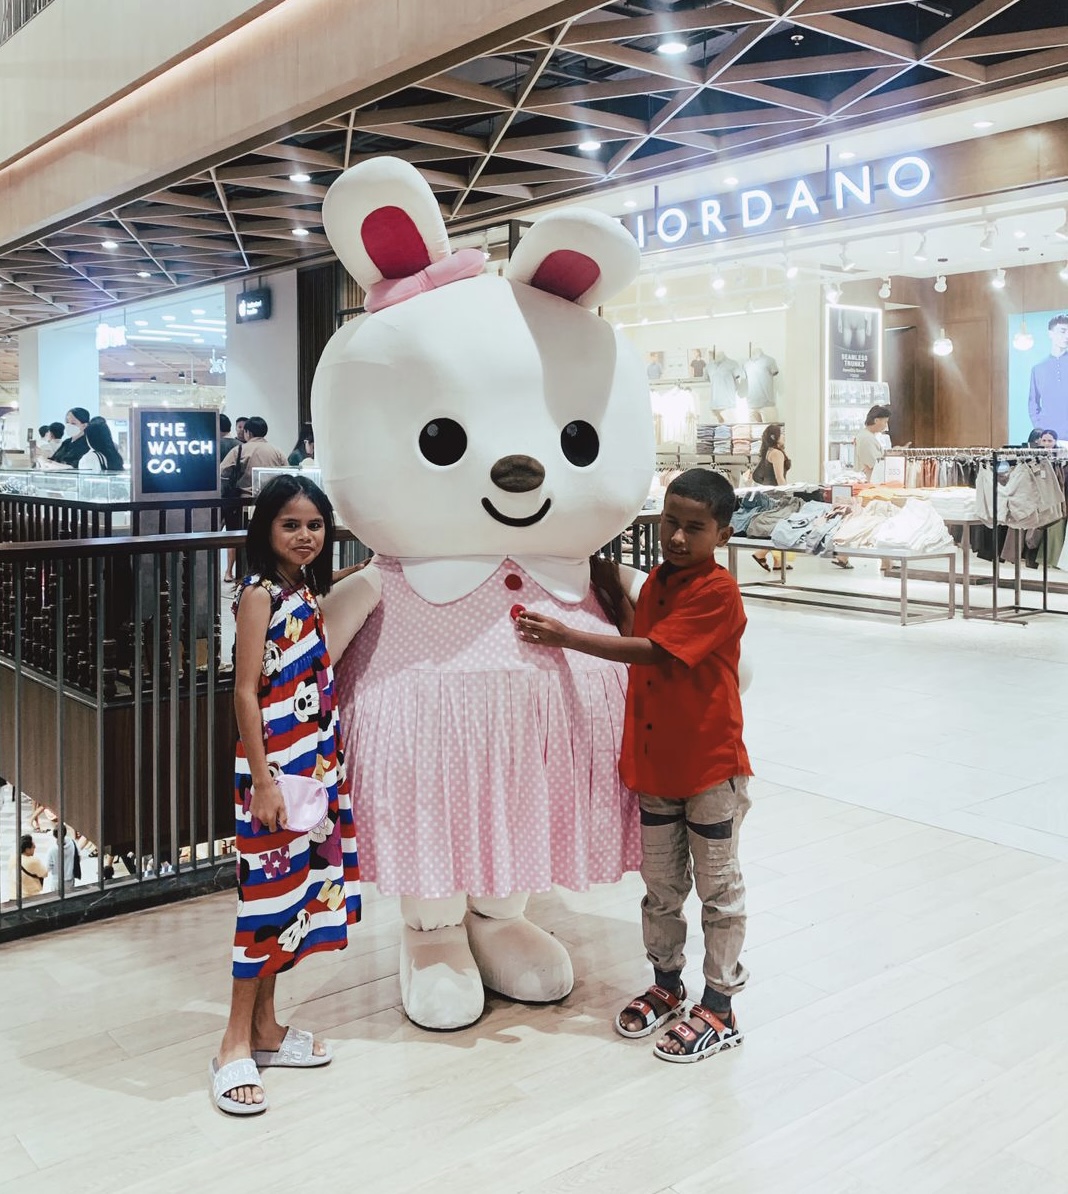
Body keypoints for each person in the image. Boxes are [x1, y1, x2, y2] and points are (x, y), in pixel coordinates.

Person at [517, 469, 752, 1064]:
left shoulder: (718, 591)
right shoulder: (659, 583)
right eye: (670, 522)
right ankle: (667, 985)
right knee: (660, 887)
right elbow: (638, 633)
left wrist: (567, 635)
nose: (677, 537)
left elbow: (654, 652)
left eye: (694, 528)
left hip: (708, 765)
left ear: (722, 534)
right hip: (654, 763)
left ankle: (720, 1006)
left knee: (718, 889)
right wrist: (605, 585)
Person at [212, 474, 361, 1116]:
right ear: (266, 529)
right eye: (290, 524)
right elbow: (245, 692)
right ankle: (232, 1043)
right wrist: (264, 780)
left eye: (315, 525)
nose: (305, 536)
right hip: (274, 774)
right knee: (264, 904)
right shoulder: (259, 593)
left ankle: (266, 1030)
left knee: (293, 896)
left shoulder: (300, 587)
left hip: (312, 767)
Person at [219, 417, 286, 584]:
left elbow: (222, 472)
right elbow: (287, 473)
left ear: (248, 432)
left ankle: (243, 577)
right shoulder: (276, 451)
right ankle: (267, 576)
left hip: (244, 504)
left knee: (243, 541)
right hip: (272, 503)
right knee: (267, 540)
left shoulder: (240, 450)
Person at [750, 424, 790, 572]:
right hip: (776, 494)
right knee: (780, 526)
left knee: (775, 526)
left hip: (768, 492)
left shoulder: (769, 451)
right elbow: (780, 477)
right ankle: (760, 553)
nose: (784, 436)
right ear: (775, 437)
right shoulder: (777, 453)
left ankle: (778, 561)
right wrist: (787, 493)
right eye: (782, 433)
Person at [1028, 315, 1068, 432]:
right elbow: (1033, 403)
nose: (1067, 336)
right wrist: (1040, 428)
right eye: (1063, 331)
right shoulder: (1038, 369)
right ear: (1050, 334)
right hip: (1049, 436)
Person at [11, 834, 47, 898]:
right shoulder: (33, 861)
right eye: (33, 846)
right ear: (27, 849)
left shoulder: (13, 858)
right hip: (31, 896)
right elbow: (45, 873)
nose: (35, 847)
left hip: (17, 895)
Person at [44, 825, 77, 892]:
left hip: (57, 879)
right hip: (69, 878)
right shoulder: (72, 843)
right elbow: (78, 857)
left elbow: (48, 867)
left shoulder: (52, 849)